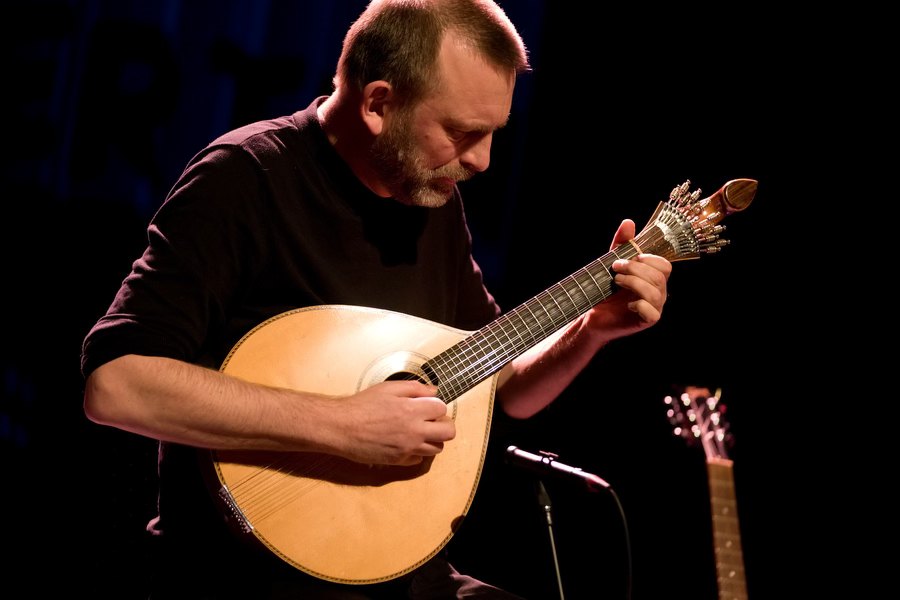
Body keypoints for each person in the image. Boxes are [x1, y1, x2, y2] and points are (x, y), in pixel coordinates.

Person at [80, 0, 671, 598]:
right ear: (378, 104)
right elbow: (117, 384)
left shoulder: (429, 197)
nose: (482, 160)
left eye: (493, 134)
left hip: (401, 574)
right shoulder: (244, 180)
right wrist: (342, 425)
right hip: (242, 577)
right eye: (463, 132)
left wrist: (590, 329)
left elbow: (503, 385)